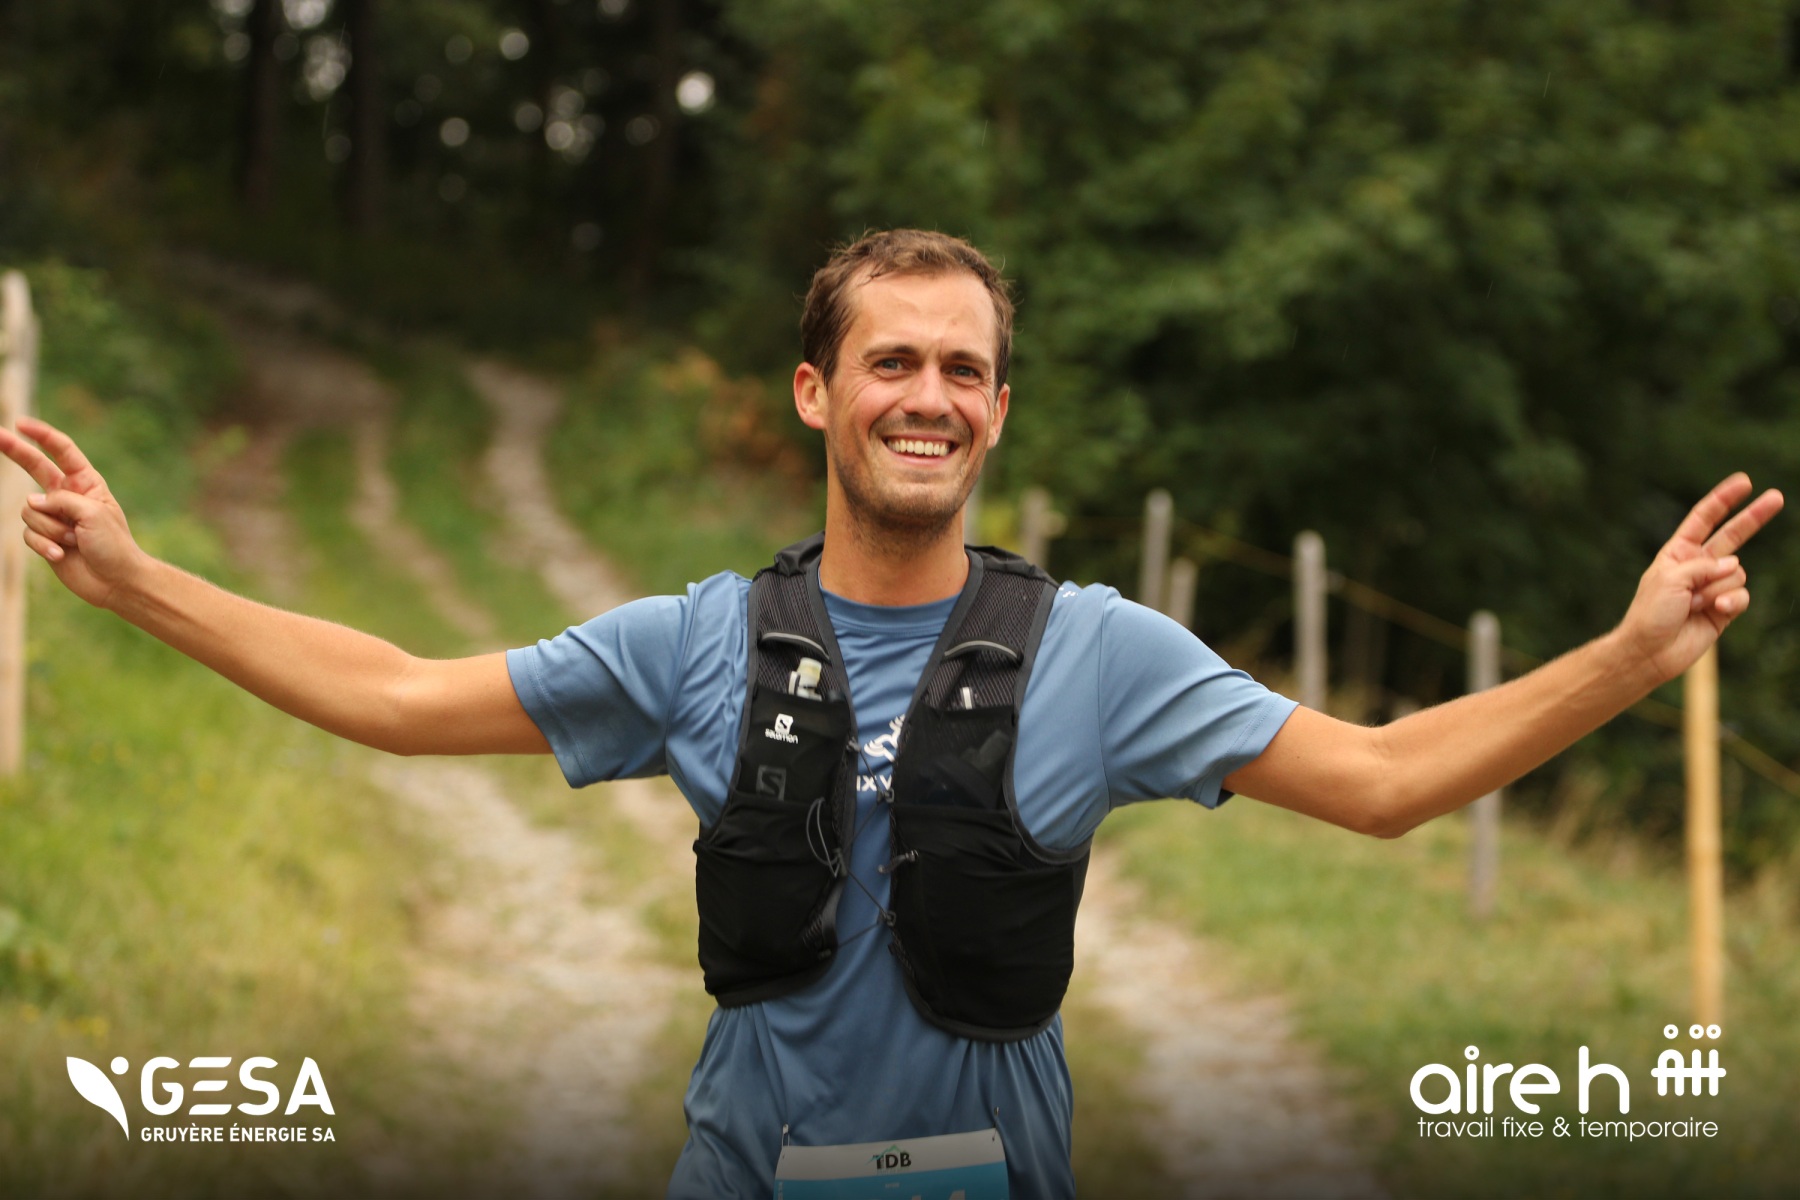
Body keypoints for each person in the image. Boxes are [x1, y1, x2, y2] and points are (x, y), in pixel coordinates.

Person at [0, 229, 1782, 1199]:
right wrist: (138, 581)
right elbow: (397, 697)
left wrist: (1631, 657)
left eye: (964, 369)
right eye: (892, 361)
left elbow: (1386, 780)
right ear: (816, 392)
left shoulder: (1102, 654)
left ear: (998, 411)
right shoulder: (699, 642)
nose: (928, 396)